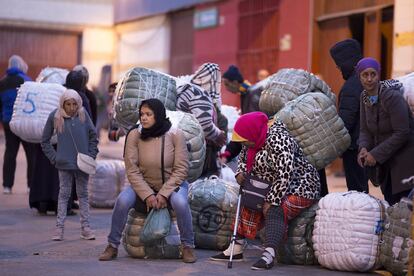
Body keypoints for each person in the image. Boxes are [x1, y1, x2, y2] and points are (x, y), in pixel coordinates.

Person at [210, 112, 320, 270]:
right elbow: (242, 156)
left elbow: (284, 174)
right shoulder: (253, 140)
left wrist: (271, 200)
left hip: (300, 185)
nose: (244, 144)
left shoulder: (279, 139)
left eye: (245, 141)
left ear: (252, 133)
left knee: (276, 209)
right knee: (248, 201)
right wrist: (240, 172)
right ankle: (237, 248)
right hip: (269, 184)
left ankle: (269, 254)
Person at [99, 98, 197, 263]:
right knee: (122, 201)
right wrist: (148, 195)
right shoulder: (134, 135)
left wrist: (164, 194)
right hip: (143, 186)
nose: (143, 118)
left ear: (158, 115)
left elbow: (181, 169)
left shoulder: (175, 134)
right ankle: (112, 245)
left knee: (180, 203)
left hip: (172, 185)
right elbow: (132, 169)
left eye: (148, 114)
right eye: (142, 114)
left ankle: (187, 246)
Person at [41, 89, 98, 241]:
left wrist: (91, 155)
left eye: (74, 104)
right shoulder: (55, 116)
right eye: (68, 104)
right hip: (64, 164)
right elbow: (44, 141)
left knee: (83, 195)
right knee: (63, 196)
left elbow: (94, 136)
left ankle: (86, 228)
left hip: (82, 164)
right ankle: (59, 229)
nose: (72, 107)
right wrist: (55, 158)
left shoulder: (83, 115)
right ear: (63, 104)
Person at [357, 57, 414, 205]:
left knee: (404, 210)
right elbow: (364, 130)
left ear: (379, 75)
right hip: (386, 164)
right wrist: (363, 148)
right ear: (359, 77)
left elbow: (403, 132)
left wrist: (375, 154)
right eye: (365, 75)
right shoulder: (364, 97)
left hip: (404, 162)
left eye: (373, 74)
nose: (369, 79)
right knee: (391, 204)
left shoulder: (391, 97)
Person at [330, 38, 368, 193]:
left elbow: (346, 121)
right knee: (362, 188)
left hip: (354, 147)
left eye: (339, 64)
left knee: (357, 190)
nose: (338, 68)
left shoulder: (352, 85)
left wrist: (335, 144)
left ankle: (362, 217)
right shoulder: (363, 79)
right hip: (363, 144)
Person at [0, 55, 36, 194]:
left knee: (10, 153)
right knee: (30, 153)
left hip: (9, 122)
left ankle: (7, 186)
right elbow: (33, 103)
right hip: (24, 122)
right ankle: (30, 186)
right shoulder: (27, 81)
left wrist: (3, 118)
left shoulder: (2, 82)